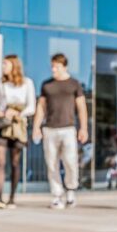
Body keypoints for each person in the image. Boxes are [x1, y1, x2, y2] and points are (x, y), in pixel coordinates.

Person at [32, 53, 89, 210]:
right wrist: (36, 127)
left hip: (68, 128)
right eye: (52, 66)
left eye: (56, 66)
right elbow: (41, 107)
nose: (53, 69)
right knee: (52, 163)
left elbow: (82, 107)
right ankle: (57, 195)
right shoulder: (47, 85)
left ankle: (70, 191)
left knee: (70, 161)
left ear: (64, 66)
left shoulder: (74, 84)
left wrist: (83, 128)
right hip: (50, 129)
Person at [0, 55, 36, 208]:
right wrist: (1, 113)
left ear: (14, 65)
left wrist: (18, 114)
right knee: (0, 161)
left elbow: (31, 106)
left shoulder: (27, 83)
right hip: (1, 125)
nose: (3, 67)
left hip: (17, 126)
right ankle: (0, 197)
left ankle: (12, 198)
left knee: (15, 162)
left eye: (5, 64)